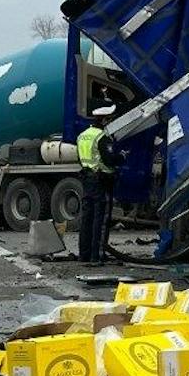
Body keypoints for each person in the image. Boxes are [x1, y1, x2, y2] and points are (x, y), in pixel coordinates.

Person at [76, 105, 118, 262]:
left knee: (87, 218)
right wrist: (121, 157)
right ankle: (97, 255)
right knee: (100, 219)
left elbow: (80, 158)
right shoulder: (102, 137)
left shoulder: (82, 136)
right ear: (105, 120)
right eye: (110, 119)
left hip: (86, 179)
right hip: (101, 181)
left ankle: (84, 254)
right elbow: (109, 159)